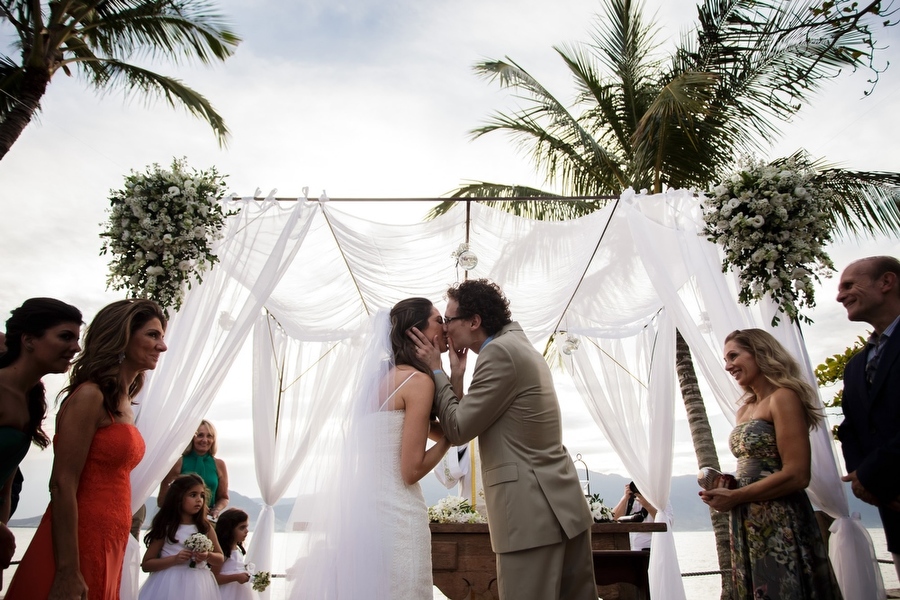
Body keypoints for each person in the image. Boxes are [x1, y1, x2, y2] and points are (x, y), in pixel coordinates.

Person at [410, 279, 596, 600]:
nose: (445, 329)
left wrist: (436, 370)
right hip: (562, 508)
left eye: (449, 319)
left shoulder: (498, 354)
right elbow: (468, 419)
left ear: (474, 321)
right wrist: (456, 377)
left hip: (530, 517)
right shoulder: (516, 345)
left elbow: (457, 430)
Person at [5, 299, 167, 600]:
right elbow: (62, 483)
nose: (162, 346)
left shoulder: (124, 404)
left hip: (112, 537)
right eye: (152, 335)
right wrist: (68, 569)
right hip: (81, 538)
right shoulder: (90, 396)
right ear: (123, 335)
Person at [291, 297, 451, 599]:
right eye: (438, 320)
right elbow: (411, 470)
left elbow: (441, 428)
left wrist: (452, 372)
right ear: (415, 332)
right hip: (400, 518)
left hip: (366, 520)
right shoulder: (418, 382)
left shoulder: (378, 382)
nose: (445, 327)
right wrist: (450, 440)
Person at [699, 329, 841, 600]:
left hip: (779, 519)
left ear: (759, 353)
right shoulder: (744, 409)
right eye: (725, 359)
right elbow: (753, 464)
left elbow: (798, 474)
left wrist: (737, 495)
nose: (728, 365)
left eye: (734, 356)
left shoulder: (784, 397)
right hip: (746, 519)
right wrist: (726, 486)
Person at [0, 298, 82, 577]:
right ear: (29, 340)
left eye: (77, 338)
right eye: (65, 336)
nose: (76, 347)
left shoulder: (31, 400)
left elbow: (5, 486)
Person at [835, 255, 900, 580]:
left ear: (886, 282)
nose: (840, 295)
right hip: (893, 509)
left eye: (849, 285)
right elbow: (850, 428)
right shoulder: (856, 365)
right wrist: (864, 482)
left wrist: (875, 473)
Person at [139, 473, 224, 600]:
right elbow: (146, 564)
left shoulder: (205, 527)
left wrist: (207, 555)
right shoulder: (166, 527)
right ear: (178, 498)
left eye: (202, 495)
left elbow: (220, 558)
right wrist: (174, 559)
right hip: (168, 584)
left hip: (199, 585)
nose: (199, 500)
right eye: (193, 495)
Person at [158, 419, 229, 519]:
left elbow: (223, 498)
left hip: (207, 520)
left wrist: (216, 510)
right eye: (200, 435)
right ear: (191, 437)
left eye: (209, 436)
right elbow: (162, 499)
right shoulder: (178, 462)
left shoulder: (219, 464)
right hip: (179, 520)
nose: (205, 440)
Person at [611, 481, 673, 551]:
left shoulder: (660, 500)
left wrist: (648, 506)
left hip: (651, 549)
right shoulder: (629, 499)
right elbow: (613, 519)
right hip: (628, 549)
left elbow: (668, 524)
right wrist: (625, 498)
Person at [213, 508, 252, 600]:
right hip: (226, 593)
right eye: (242, 527)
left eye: (246, 527)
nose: (246, 531)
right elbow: (214, 577)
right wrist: (236, 577)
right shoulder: (224, 551)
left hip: (239, 593)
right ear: (229, 530)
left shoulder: (237, 548)